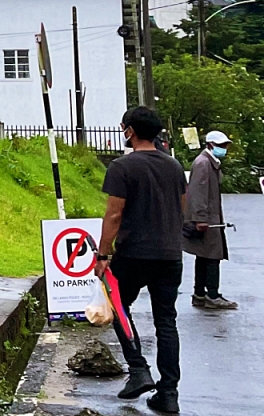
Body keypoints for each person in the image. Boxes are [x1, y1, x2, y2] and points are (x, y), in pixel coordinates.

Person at [94, 105, 187, 414]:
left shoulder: (122, 167)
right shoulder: (174, 166)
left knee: (118, 307)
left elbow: (114, 214)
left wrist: (103, 254)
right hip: (170, 255)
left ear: (129, 131)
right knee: (166, 321)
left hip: (134, 253)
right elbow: (182, 207)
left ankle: (138, 370)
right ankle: (169, 393)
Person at [184, 129, 235, 309]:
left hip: (210, 217)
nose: (224, 149)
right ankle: (212, 294)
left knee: (204, 255)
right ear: (210, 145)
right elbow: (197, 192)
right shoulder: (203, 163)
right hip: (207, 218)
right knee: (213, 255)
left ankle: (200, 293)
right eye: (221, 146)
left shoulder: (209, 162)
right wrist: (200, 218)